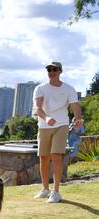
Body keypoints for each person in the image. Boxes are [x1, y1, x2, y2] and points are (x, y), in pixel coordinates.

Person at [33, 61, 84, 203]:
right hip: (44, 125)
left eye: (54, 69)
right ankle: (45, 189)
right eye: (49, 69)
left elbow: (75, 107)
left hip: (61, 125)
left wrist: (78, 118)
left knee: (56, 156)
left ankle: (56, 192)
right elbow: (38, 108)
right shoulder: (40, 88)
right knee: (43, 157)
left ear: (60, 71)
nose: (51, 71)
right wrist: (47, 118)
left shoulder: (69, 89)